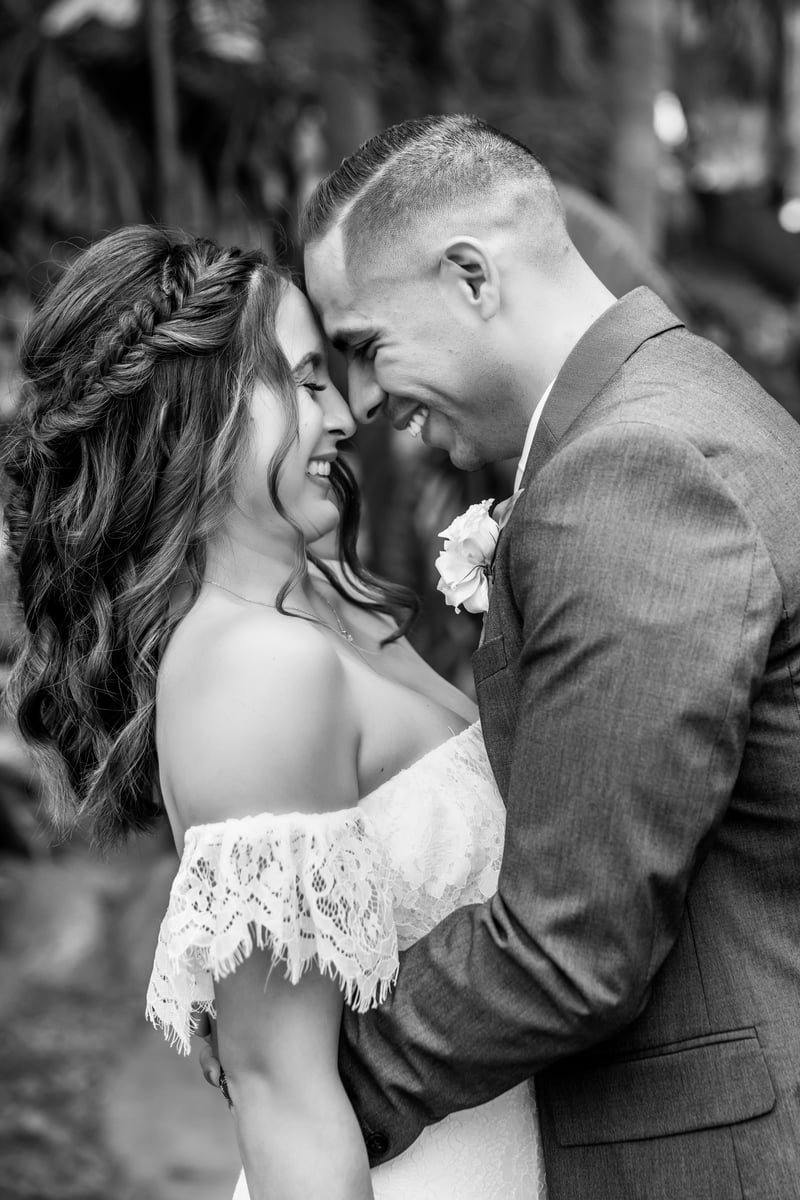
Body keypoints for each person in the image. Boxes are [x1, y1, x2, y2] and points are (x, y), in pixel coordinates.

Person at [294, 113, 800, 1199]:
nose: (364, 403)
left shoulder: (633, 470)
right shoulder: (684, 400)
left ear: (471, 276)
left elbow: (571, 946)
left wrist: (302, 1073)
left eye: (365, 347)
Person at [1, 224, 545, 1199]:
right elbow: (280, 1091)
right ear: (195, 411)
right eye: (303, 381)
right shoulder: (253, 671)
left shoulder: (330, 605)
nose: (342, 416)